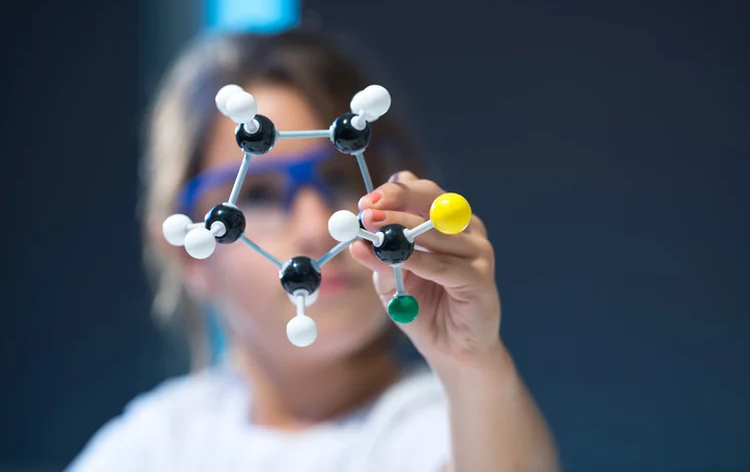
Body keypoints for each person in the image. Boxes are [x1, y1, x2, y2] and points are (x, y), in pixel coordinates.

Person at [68, 28, 560, 472]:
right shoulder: (157, 443)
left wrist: (471, 365)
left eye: (341, 178)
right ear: (188, 253)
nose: (317, 229)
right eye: (256, 194)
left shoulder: (442, 427)